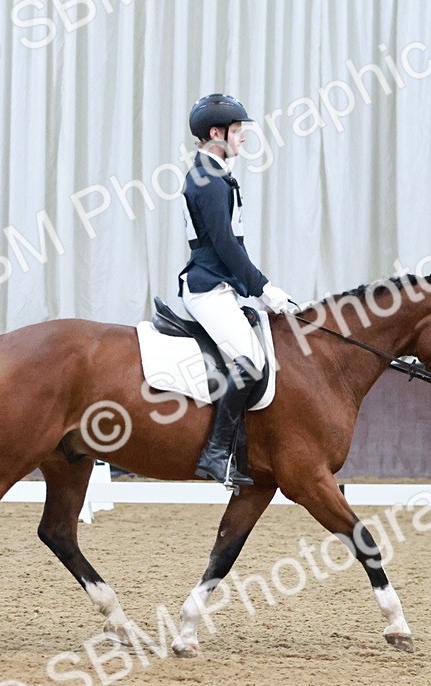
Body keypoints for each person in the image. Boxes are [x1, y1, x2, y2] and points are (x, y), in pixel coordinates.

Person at [179, 93, 295, 488]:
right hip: (207, 288)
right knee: (250, 360)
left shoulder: (215, 175)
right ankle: (215, 454)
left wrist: (256, 288)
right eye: (237, 130)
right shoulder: (209, 180)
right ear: (217, 133)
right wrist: (263, 288)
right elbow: (226, 246)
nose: (243, 137)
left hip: (220, 286)